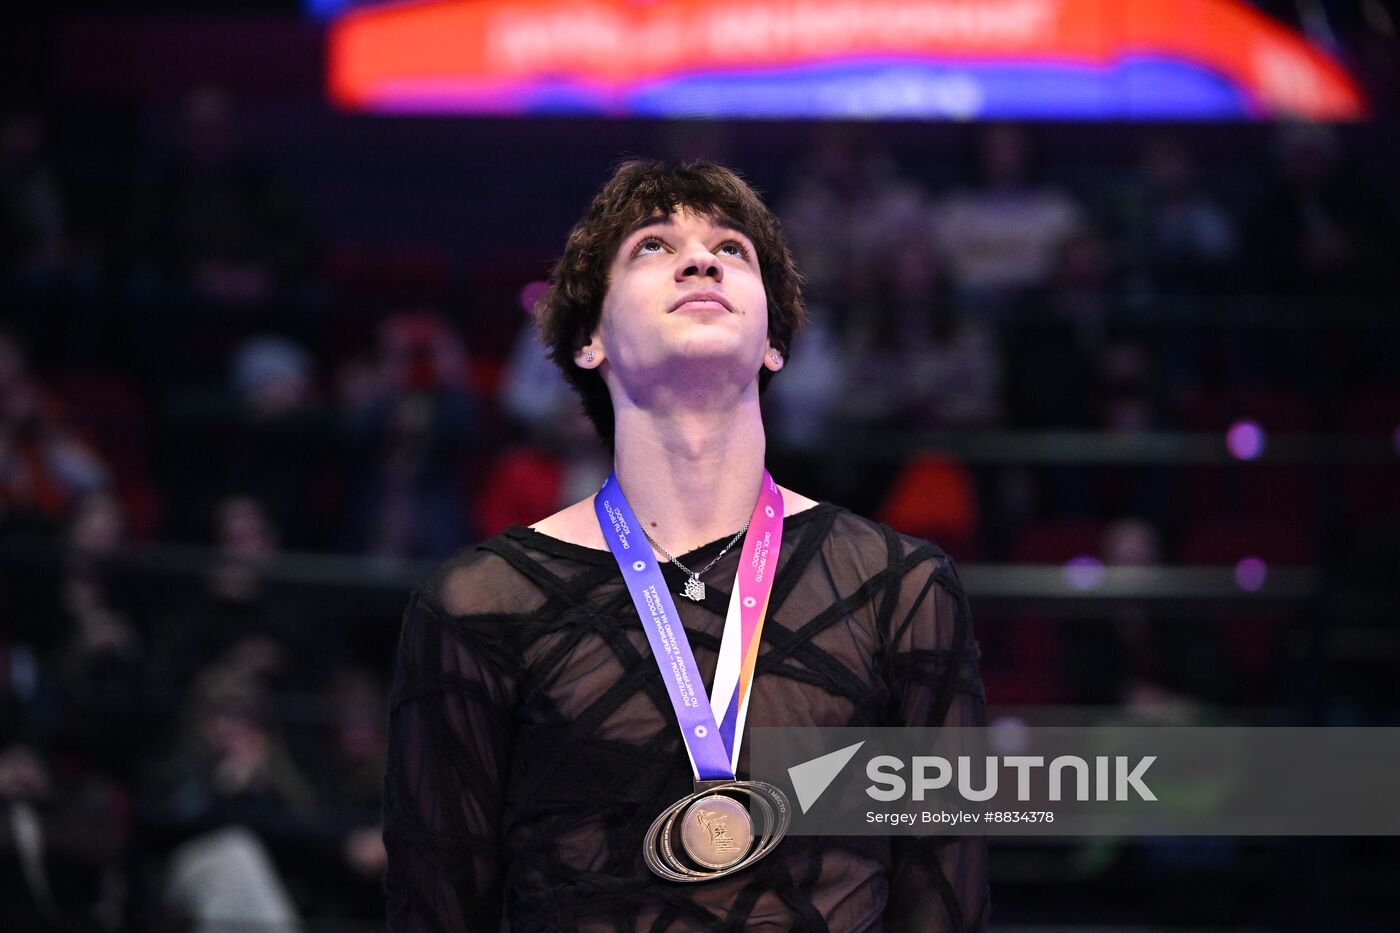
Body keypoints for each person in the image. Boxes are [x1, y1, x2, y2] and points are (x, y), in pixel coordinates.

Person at [381, 160, 988, 930]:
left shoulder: (901, 589)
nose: (701, 259)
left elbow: (944, 903)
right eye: (652, 247)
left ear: (775, 344)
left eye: (732, 249)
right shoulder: (479, 605)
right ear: (590, 340)